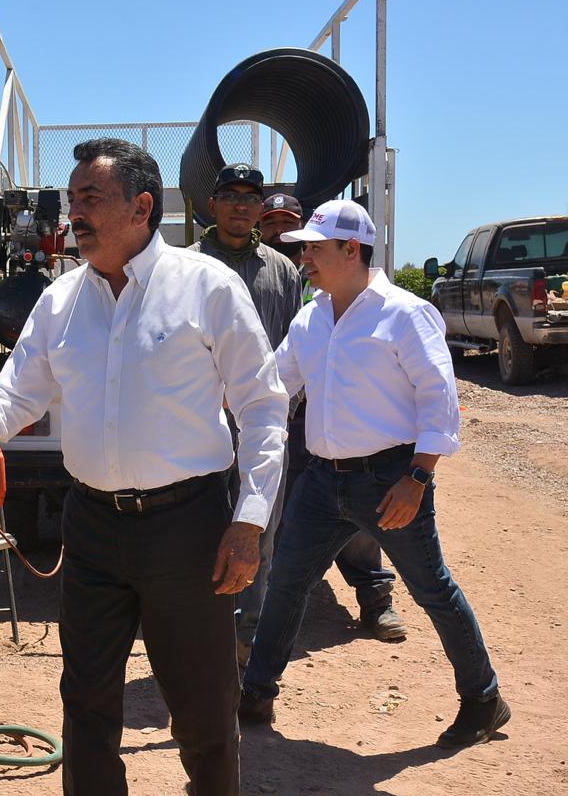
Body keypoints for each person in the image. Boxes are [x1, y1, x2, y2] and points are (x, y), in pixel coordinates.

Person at [0, 138, 289, 796]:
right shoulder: (62, 301)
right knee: (87, 705)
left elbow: (263, 407)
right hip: (91, 527)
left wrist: (248, 521)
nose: (75, 215)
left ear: (142, 206)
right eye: (71, 201)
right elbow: (15, 401)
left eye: (90, 199)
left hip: (188, 528)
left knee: (202, 709)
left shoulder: (208, 287)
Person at [238, 200, 510, 751]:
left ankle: (484, 699)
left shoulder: (405, 314)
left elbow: (439, 400)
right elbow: (274, 384)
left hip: (390, 480)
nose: (304, 258)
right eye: (303, 249)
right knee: (288, 583)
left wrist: (418, 479)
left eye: (315, 248)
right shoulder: (312, 316)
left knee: (432, 589)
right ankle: (256, 693)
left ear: (352, 250)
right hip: (320, 479)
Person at [257, 192, 407, 649]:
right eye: (274, 224)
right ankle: (271, 606)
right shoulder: (260, 267)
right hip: (274, 405)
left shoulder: (315, 277)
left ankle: (375, 596)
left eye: (291, 224)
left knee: (358, 512)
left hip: (320, 406)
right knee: (279, 505)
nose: (284, 235)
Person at [188, 165, 307, 667]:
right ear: (211, 205)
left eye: (250, 197)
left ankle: (247, 648)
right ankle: (200, 642)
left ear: (261, 208)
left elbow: (293, 348)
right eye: (229, 195)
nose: (240, 205)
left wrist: (276, 410)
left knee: (258, 532)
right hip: (197, 431)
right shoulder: (185, 266)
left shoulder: (281, 271)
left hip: (261, 429)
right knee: (199, 534)